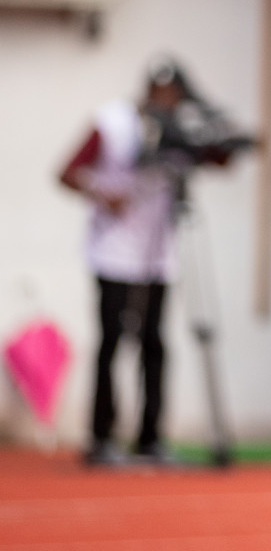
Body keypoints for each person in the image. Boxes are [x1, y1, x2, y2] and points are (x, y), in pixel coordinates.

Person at [58, 60, 189, 466]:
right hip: (114, 252)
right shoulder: (112, 122)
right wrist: (103, 192)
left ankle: (150, 437)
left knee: (154, 344)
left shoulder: (181, 129)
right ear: (149, 90)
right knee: (111, 341)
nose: (168, 101)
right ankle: (101, 438)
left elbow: (214, 159)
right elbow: (67, 172)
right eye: (162, 93)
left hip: (157, 253)